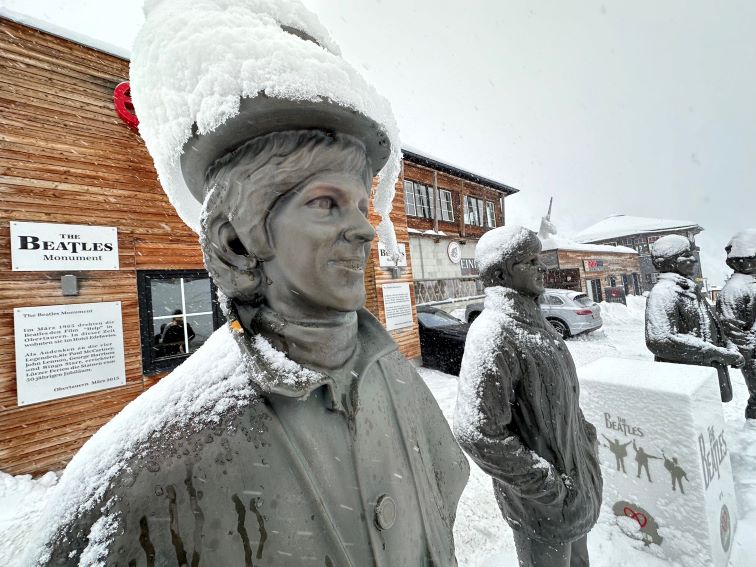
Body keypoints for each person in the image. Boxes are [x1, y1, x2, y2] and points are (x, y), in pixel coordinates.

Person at [28, 1, 469, 565]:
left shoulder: (400, 380)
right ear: (237, 243)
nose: (363, 228)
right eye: (326, 204)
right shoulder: (145, 476)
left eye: (361, 204)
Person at [454, 226, 602, 567]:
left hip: (575, 490)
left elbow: (564, 401)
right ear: (502, 272)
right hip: (543, 507)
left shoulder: (541, 326)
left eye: (541, 258)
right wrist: (545, 483)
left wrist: (586, 440)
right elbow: (476, 431)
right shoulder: (494, 333)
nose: (542, 267)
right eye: (530, 261)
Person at [645, 234, 743, 402]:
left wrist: (728, 346)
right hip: (687, 381)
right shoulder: (664, 292)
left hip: (704, 374)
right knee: (697, 423)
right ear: (671, 261)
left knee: (710, 421)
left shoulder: (688, 289)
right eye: (686, 255)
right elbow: (659, 340)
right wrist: (717, 353)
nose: (693, 259)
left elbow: (710, 326)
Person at [717, 229, 756, 419]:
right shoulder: (734, 289)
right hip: (753, 355)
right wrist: (749, 353)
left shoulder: (752, 283)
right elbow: (731, 327)